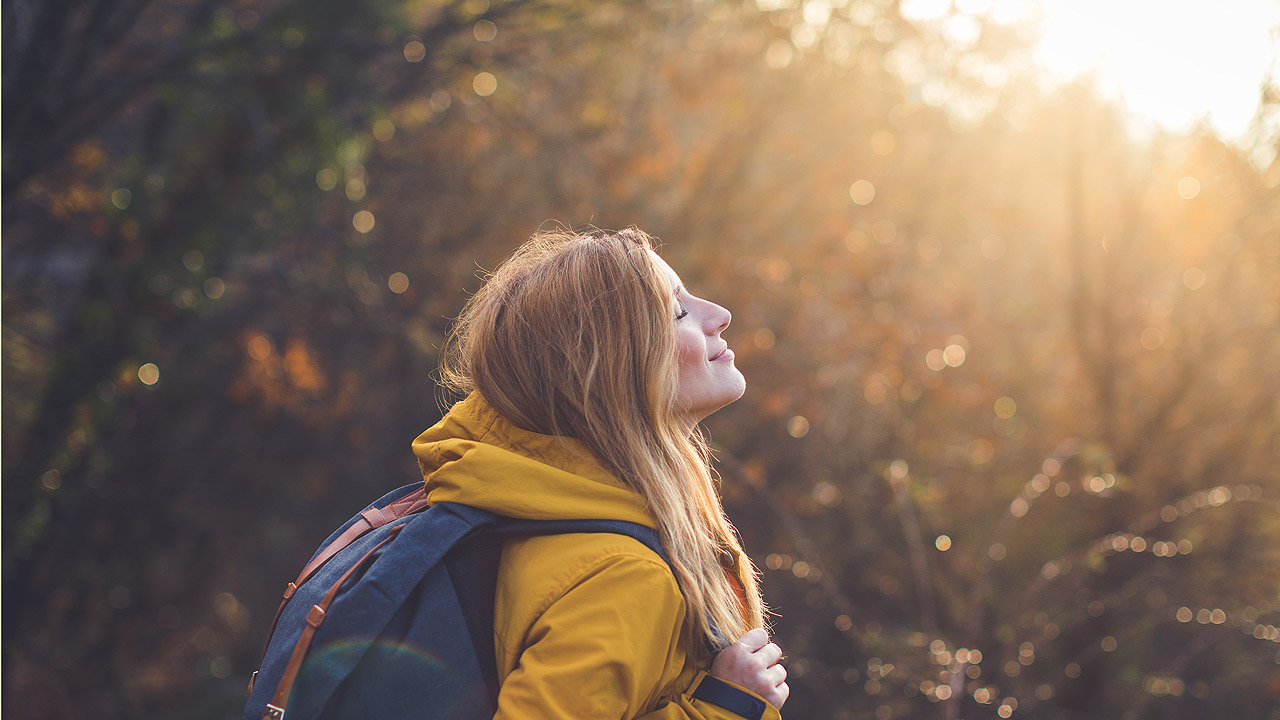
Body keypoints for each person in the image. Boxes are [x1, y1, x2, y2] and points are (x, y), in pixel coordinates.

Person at [411, 226, 789, 719]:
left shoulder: (530, 498)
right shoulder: (623, 574)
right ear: (613, 367)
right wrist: (725, 708)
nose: (719, 314)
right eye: (677, 312)